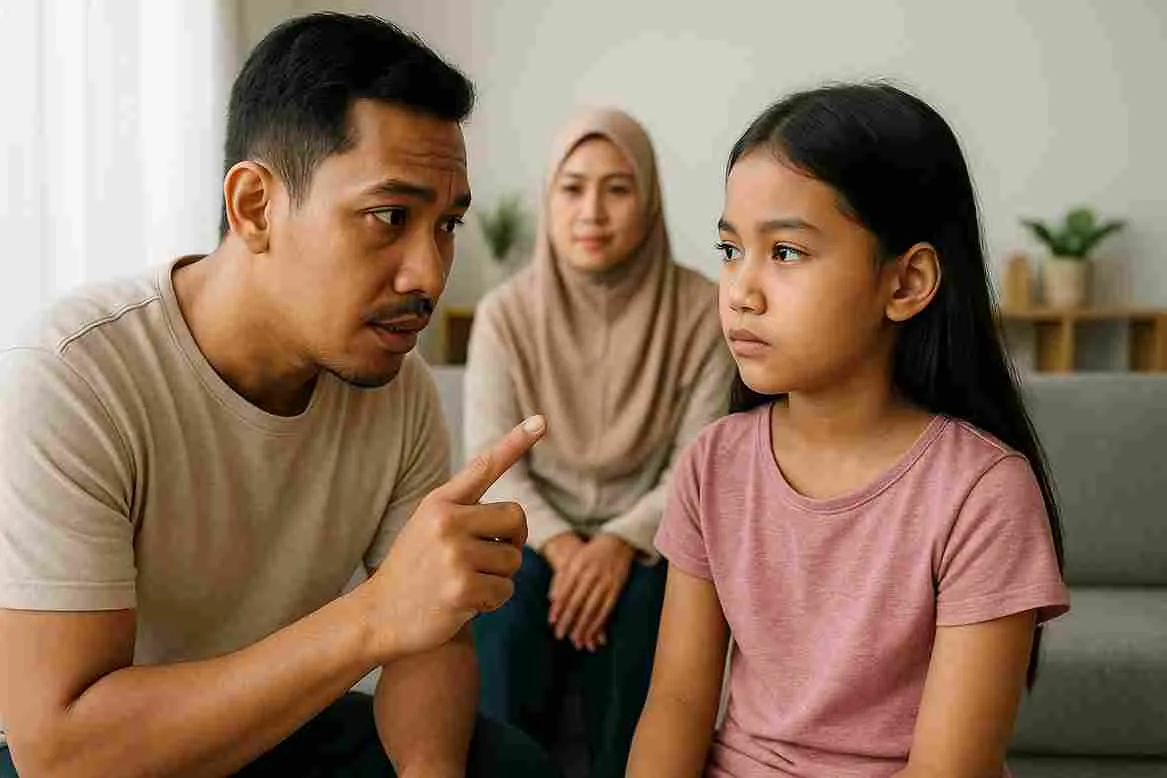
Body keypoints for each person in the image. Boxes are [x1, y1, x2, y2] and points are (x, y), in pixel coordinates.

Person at [0, 13, 560, 778]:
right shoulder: (75, 376)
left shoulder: (396, 391)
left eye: (446, 225)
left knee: (507, 765)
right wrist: (372, 617)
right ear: (255, 206)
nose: (428, 275)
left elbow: (429, 644)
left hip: (278, 721)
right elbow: (60, 753)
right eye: (389, 217)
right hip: (99, 749)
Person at [627, 83, 1070, 778]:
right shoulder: (713, 463)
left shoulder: (982, 493)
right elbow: (677, 702)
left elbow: (949, 767)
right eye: (728, 250)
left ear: (905, 283)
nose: (740, 289)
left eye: (786, 253)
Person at [464, 108, 735, 778]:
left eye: (617, 188)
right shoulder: (505, 314)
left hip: (652, 536)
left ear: (649, 201)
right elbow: (495, 467)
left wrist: (618, 543)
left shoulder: (703, 310)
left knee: (654, 591)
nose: (592, 211)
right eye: (572, 187)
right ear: (548, 199)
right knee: (506, 586)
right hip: (531, 534)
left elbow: (697, 466)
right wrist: (561, 545)